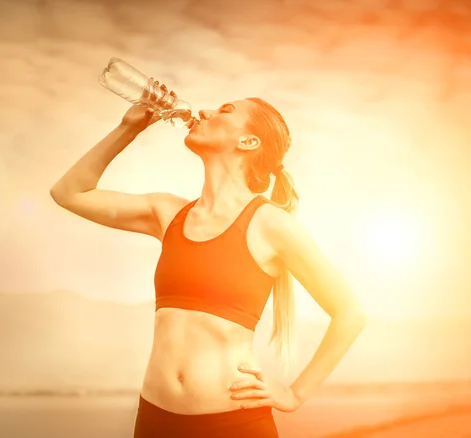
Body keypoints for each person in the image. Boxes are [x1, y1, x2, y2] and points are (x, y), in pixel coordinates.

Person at [50, 81, 367, 438]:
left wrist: (294, 394)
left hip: (233, 424)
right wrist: (128, 129)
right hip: (155, 421)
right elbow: (68, 192)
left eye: (225, 110)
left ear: (248, 142)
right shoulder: (168, 213)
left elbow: (350, 314)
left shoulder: (270, 224)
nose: (204, 112)